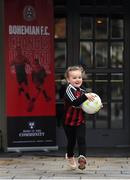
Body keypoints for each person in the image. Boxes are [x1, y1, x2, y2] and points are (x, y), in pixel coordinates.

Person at [63, 66, 95, 170]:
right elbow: (75, 102)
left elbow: (87, 105)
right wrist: (85, 96)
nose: (78, 79)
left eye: (79, 77)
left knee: (81, 139)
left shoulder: (82, 90)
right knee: (71, 142)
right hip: (69, 122)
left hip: (80, 120)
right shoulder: (69, 90)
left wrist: (96, 105)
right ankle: (70, 155)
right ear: (68, 80)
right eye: (74, 77)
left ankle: (82, 157)